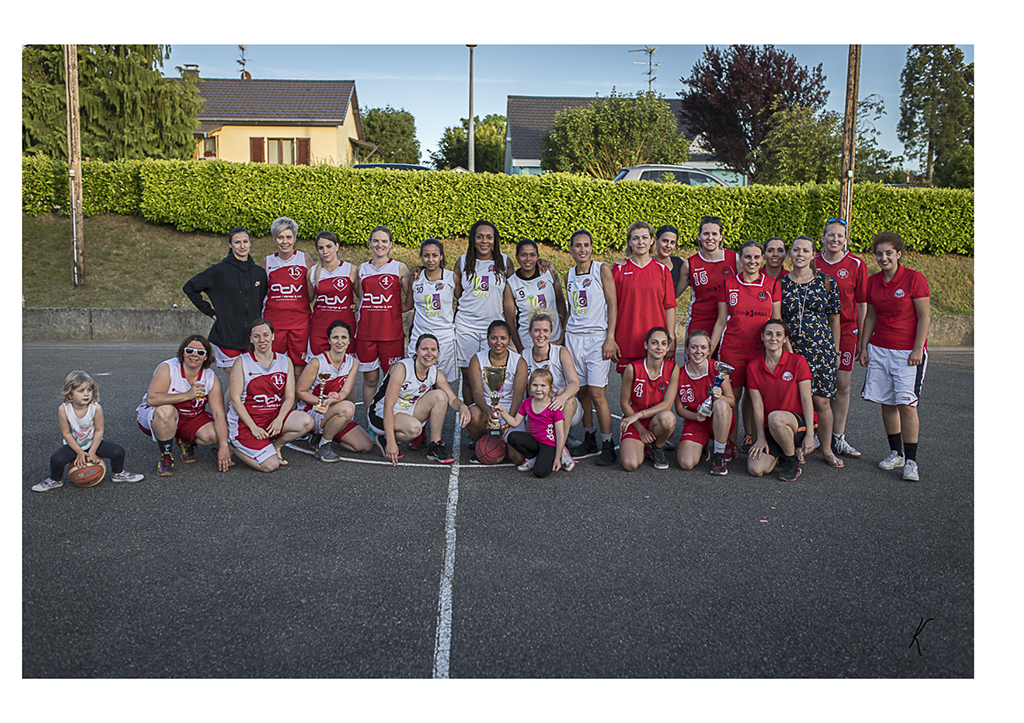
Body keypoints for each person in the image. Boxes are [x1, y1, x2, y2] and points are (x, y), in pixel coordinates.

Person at [857, 231, 930, 482]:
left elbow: (924, 316)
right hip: (880, 349)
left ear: (899, 253)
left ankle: (911, 461)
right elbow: (871, 316)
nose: (884, 258)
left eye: (889, 253)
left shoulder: (914, 279)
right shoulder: (873, 281)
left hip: (907, 352)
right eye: (879, 254)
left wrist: (918, 348)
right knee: (887, 403)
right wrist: (863, 347)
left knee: (907, 405)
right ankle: (896, 453)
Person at [710, 240, 781, 460]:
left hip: (760, 350)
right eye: (747, 257)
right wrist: (710, 350)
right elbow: (721, 320)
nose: (752, 261)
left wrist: (784, 350)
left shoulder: (772, 284)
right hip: (732, 349)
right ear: (740, 258)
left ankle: (750, 437)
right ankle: (729, 442)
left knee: (754, 395)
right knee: (733, 396)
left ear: (762, 259)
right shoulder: (728, 284)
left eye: (756, 257)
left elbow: (777, 320)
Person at [780, 235, 844, 467]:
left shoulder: (827, 281)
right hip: (793, 350)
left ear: (813, 254)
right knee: (794, 400)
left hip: (821, 350)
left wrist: (835, 351)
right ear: (790, 253)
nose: (800, 254)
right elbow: (778, 319)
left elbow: (835, 319)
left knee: (821, 401)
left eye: (805, 251)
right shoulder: (781, 284)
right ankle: (797, 447)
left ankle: (826, 449)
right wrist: (788, 350)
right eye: (796, 250)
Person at [136, 334, 232, 477]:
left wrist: (223, 446)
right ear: (182, 352)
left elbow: (218, 414)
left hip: (189, 417)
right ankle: (166, 455)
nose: (194, 355)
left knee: (215, 435)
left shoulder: (210, 377)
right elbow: (152, 399)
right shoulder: (168, 368)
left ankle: (185, 440)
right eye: (189, 350)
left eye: (200, 352)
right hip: (158, 415)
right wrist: (187, 395)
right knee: (165, 411)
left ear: (206, 357)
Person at [368, 333, 470, 466]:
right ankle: (385, 438)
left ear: (438, 352)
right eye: (424, 349)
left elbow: (452, 399)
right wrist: (392, 442)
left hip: (406, 410)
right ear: (416, 350)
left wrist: (463, 407)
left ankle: (435, 446)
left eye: (433, 350)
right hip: (381, 413)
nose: (429, 353)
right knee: (415, 429)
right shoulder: (402, 368)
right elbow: (388, 404)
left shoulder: (435, 373)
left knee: (440, 396)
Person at [226, 318, 314, 472]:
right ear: (251, 339)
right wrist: (253, 427)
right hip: (247, 422)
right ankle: (231, 447)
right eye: (256, 336)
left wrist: (279, 419)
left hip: (272, 417)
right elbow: (235, 399)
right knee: (270, 465)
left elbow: (289, 397)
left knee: (306, 421)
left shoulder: (284, 361)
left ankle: (275, 446)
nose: (262, 340)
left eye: (266, 335)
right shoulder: (242, 362)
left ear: (273, 336)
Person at [35, 371, 145, 492]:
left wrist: (92, 451)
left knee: (118, 451)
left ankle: (118, 473)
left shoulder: (95, 408)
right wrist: (79, 452)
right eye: (81, 391)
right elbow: (66, 433)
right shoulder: (64, 409)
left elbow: (99, 430)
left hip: (93, 443)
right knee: (56, 459)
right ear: (70, 393)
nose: (86, 394)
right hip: (74, 445)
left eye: (89, 390)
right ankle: (55, 480)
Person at [563, 229, 619, 465]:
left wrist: (610, 337)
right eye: (578, 245)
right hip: (573, 338)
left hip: (596, 339)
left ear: (591, 248)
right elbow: (571, 309)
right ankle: (590, 437)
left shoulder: (601, 269)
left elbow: (612, 303)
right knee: (582, 392)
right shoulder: (568, 274)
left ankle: (608, 444)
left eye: (586, 245)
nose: (582, 249)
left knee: (597, 394)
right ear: (571, 249)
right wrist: (563, 337)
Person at [814, 218, 869, 459]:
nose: (834, 239)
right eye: (830, 235)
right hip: (817, 331)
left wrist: (862, 340)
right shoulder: (813, 262)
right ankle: (816, 433)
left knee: (842, 384)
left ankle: (838, 436)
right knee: (813, 384)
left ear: (846, 239)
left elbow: (862, 303)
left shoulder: (856, 264)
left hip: (846, 332)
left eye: (839, 235)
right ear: (823, 238)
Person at [183, 227, 268, 368]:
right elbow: (190, 287)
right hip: (227, 336)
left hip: (252, 338)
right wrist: (211, 312)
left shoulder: (259, 273)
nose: (242, 246)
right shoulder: (219, 271)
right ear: (230, 244)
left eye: (245, 241)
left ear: (250, 243)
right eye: (237, 242)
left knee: (252, 378)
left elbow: (262, 300)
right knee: (234, 379)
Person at [453, 220, 516, 404]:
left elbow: (516, 288)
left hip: (494, 328)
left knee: (493, 377)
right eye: (479, 236)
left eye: (489, 237)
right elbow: (458, 292)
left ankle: (493, 416)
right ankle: (471, 416)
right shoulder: (463, 261)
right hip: (466, 327)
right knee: (468, 377)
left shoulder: (505, 261)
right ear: (473, 239)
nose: (484, 241)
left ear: (495, 240)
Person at [291, 320, 373, 462]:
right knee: (348, 407)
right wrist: (323, 401)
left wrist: (336, 397)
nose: (339, 341)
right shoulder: (317, 362)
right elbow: (300, 391)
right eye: (335, 337)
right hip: (311, 411)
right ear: (329, 340)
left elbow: (345, 391)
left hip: (332, 409)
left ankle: (321, 436)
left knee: (365, 445)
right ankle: (324, 445)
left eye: (344, 337)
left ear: (349, 341)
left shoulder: (353, 362)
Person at [746, 320, 817, 482]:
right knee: (755, 469)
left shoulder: (797, 361)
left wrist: (810, 434)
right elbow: (757, 406)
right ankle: (782, 452)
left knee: (776, 417)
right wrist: (761, 437)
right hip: (772, 426)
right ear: (762, 337)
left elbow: (806, 399)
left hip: (798, 424)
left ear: (785, 339)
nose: (773, 338)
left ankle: (791, 461)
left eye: (778, 335)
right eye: (769, 334)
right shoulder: (753, 367)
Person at [355, 226, 411, 413]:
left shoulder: (399, 267)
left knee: (391, 380)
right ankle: (370, 421)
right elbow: (361, 299)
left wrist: (392, 311)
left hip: (391, 334)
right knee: (370, 380)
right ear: (370, 243)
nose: (380, 245)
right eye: (376, 241)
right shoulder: (362, 268)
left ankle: (389, 418)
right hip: (366, 334)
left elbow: (410, 301)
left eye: (384, 241)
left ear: (391, 244)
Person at [612, 221, 677, 374]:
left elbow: (669, 307)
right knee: (629, 386)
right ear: (629, 242)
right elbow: (612, 307)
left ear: (652, 240)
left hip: (656, 342)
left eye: (645, 237)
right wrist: (611, 338)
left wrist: (671, 338)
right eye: (635, 238)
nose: (640, 242)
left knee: (656, 384)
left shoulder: (662, 270)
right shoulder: (619, 270)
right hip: (627, 340)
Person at [522, 308, 581, 471]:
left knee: (564, 394)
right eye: (537, 330)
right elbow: (520, 390)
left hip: (561, 408)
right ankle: (543, 450)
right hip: (538, 411)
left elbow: (575, 383)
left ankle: (561, 449)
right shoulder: (524, 356)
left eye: (545, 331)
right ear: (530, 332)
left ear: (551, 332)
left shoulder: (560, 352)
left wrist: (561, 398)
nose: (541, 335)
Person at [465, 320, 529, 465]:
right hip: (487, 407)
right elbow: (477, 393)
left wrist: (509, 420)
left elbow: (518, 397)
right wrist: (487, 409)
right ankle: (483, 444)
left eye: (503, 338)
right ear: (488, 339)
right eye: (494, 338)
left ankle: (499, 446)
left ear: (509, 339)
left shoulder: (519, 362)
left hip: (510, 410)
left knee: (518, 459)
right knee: (471, 414)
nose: (498, 342)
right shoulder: (477, 359)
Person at [675, 329, 736, 475]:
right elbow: (679, 409)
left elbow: (732, 401)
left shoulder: (718, 369)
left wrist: (721, 397)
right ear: (687, 349)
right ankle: (702, 446)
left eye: (703, 347)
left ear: (709, 350)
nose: (698, 351)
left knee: (721, 404)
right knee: (686, 463)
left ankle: (719, 455)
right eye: (694, 347)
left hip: (719, 419)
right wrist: (695, 416)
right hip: (696, 421)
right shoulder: (679, 374)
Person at [618, 327, 680, 471]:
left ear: (668, 347)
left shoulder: (673, 368)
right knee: (630, 464)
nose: (659, 347)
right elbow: (624, 403)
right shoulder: (632, 368)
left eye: (663, 343)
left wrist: (639, 415)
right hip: (635, 421)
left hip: (655, 419)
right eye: (654, 343)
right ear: (646, 345)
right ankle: (643, 444)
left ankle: (657, 447)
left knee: (668, 418)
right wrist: (641, 429)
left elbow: (667, 404)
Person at [261, 216, 313, 377]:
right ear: (274, 239)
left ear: (294, 238)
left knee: (299, 368)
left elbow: (312, 292)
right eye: (280, 237)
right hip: (274, 322)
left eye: (288, 237)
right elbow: (262, 292)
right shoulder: (267, 261)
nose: (284, 242)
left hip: (300, 322)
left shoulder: (304, 259)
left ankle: (297, 395)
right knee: (274, 365)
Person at [498, 369, 572, 477]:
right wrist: (502, 412)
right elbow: (515, 422)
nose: (538, 389)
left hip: (549, 444)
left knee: (540, 473)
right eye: (535, 385)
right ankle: (533, 457)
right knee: (512, 437)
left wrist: (557, 457)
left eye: (543, 386)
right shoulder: (526, 403)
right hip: (534, 442)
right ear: (529, 386)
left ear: (551, 387)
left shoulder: (554, 406)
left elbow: (560, 434)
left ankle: (561, 455)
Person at [404, 239, 458, 385]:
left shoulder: (451, 277)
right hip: (419, 336)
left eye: (435, 255)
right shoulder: (415, 278)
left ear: (441, 256)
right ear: (421, 257)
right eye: (426, 255)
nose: (430, 259)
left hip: (445, 339)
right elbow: (408, 305)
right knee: (416, 383)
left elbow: (463, 300)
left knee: (442, 384)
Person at [679, 216, 738, 344]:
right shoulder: (689, 264)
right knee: (696, 356)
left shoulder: (734, 259)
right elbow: (673, 294)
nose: (710, 238)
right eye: (706, 234)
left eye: (714, 234)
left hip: (727, 322)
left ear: (720, 237)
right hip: (699, 323)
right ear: (699, 236)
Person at [503, 238, 567, 352]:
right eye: (524, 255)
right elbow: (510, 322)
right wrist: (521, 349)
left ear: (538, 256)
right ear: (517, 257)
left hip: (554, 340)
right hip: (528, 343)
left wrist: (562, 337)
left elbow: (561, 303)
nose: (528, 259)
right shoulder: (511, 283)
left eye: (532, 255)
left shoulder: (549, 272)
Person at [306, 231, 358, 360]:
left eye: (329, 246)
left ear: (337, 246)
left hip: (344, 329)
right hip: (319, 328)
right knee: (318, 367)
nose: (325, 251)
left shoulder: (351, 270)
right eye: (321, 248)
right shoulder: (312, 272)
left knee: (345, 367)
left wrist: (358, 303)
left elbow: (363, 296)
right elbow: (309, 299)